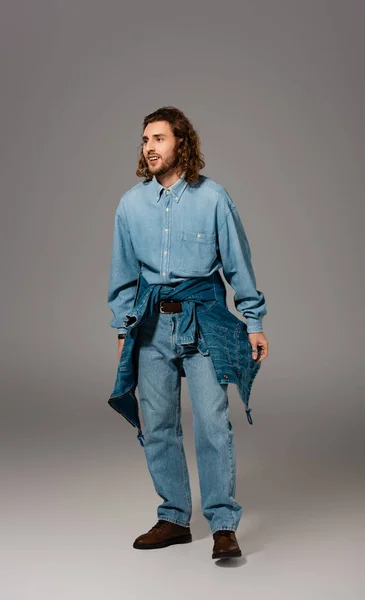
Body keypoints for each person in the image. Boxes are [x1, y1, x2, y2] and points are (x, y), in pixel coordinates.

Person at [108, 106, 269, 560]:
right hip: (150, 325)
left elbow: (238, 265)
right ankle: (174, 517)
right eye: (144, 140)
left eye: (158, 138)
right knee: (157, 424)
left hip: (203, 320)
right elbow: (122, 277)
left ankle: (222, 525)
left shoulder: (213, 198)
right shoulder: (130, 204)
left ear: (181, 142)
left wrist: (253, 321)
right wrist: (124, 331)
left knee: (214, 424)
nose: (149, 147)